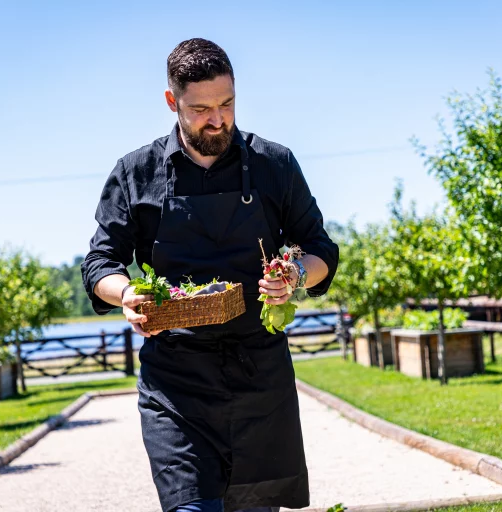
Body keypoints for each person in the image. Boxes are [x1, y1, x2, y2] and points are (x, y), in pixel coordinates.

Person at [81, 38, 338, 512]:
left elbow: (320, 249)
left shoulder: (274, 164)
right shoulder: (135, 173)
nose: (218, 120)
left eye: (227, 104)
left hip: (260, 377)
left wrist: (294, 275)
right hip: (176, 384)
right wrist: (129, 295)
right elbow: (99, 264)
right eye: (201, 109)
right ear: (171, 101)